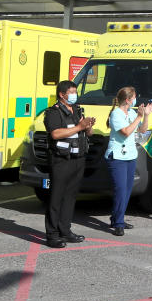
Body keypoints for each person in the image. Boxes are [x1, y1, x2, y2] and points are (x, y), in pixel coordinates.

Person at [44, 80, 94, 248]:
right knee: (56, 197)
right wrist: (79, 126)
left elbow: (88, 133)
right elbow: (56, 134)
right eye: (71, 91)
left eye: (75, 91)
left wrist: (88, 126)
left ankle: (65, 230)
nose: (74, 94)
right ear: (62, 94)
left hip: (78, 158)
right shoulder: (53, 112)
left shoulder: (78, 109)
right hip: (61, 160)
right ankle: (52, 234)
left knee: (70, 197)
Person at [106, 87, 152, 235]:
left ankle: (116, 217)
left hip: (130, 156)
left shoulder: (132, 112)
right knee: (120, 190)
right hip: (117, 156)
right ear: (127, 100)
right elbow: (126, 132)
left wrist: (145, 116)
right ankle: (119, 223)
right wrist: (139, 117)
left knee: (126, 191)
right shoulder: (116, 114)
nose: (135, 99)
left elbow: (142, 130)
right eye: (134, 97)